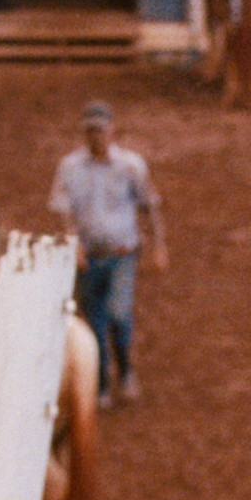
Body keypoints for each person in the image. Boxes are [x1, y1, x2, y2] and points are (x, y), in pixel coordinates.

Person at [47, 100, 166, 406]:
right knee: (94, 322)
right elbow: (64, 213)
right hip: (88, 255)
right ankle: (100, 383)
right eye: (90, 131)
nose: (95, 136)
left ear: (112, 130)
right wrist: (72, 246)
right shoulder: (70, 168)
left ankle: (125, 371)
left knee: (117, 311)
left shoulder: (131, 166)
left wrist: (158, 245)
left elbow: (149, 205)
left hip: (123, 251)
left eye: (100, 130)